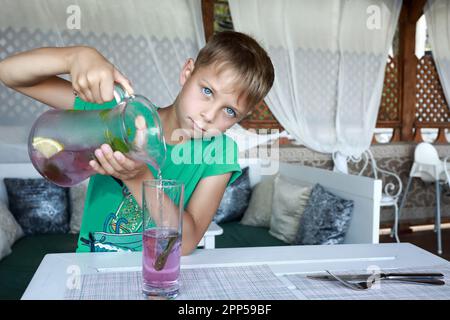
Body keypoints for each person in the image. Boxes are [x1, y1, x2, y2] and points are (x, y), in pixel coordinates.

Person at [0, 31, 274, 255]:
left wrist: (140, 176)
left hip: (157, 278)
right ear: (187, 72)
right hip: (93, 271)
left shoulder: (219, 152)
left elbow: (187, 242)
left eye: (229, 111)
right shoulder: (120, 113)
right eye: (207, 91)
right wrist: (76, 56)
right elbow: (10, 73)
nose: (209, 115)